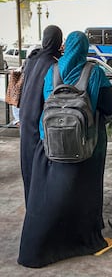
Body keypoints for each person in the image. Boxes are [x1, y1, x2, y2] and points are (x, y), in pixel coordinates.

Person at [18, 31, 112, 268]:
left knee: (49, 198)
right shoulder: (94, 72)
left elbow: (43, 102)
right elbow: (110, 104)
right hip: (86, 146)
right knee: (84, 197)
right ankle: (88, 242)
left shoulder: (52, 72)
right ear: (84, 49)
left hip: (50, 145)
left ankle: (36, 249)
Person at [19, 25, 63, 205]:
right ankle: (39, 210)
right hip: (40, 122)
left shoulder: (32, 60)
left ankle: (30, 205)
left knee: (28, 167)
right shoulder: (54, 64)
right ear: (58, 42)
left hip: (25, 119)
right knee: (41, 171)